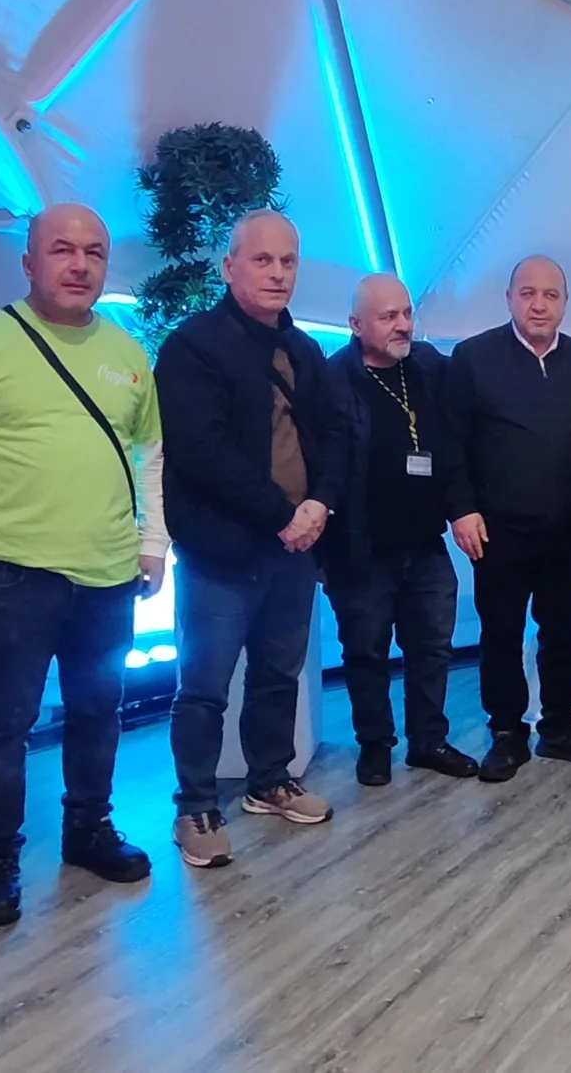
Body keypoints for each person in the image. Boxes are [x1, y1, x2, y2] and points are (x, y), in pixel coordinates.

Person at [0, 203, 163, 929]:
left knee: (99, 709)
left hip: (108, 572)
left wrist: (153, 543)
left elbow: (150, 457)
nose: (79, 264)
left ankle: (88, 829)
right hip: (11, 573)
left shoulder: (128, 353)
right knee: (5, 723)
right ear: (29, 262)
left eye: (94, 252)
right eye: (62, 249)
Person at [158, 209, 351, 861]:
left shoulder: (304, 350)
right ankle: (196, 807)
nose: (277, 273)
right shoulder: (193, 346)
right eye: (262, 260)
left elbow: (334, 435)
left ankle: (269, 780)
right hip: (222, 552)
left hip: (294, 549)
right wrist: (282, 513)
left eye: (287, 261)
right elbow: (201, 450)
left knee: (278, 674)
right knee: (204, 687)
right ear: (229, 266)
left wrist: (320, 504)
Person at [443, 255, 571, 782]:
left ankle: (560, 727)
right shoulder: (473, 358)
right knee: (501, 633)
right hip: (496, 530)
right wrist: (461, 510)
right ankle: (506, 733)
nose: (539, 305)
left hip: (566, 527)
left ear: (565, 302)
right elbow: (451, 443)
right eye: (528, 293)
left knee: (563, 633)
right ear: (510, 298)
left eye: (550, 295)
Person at [323, 274, 480, 785]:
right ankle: (375, 745)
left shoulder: (429, 368)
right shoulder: (333, 380)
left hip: (425, 542)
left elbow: (454, 446)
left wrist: (462, 508)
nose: (403, 325)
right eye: (388, 316)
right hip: (360, 548)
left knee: (432, 647)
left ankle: (427, 740)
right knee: (366, 652)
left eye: (407, 313)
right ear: (356, 324)